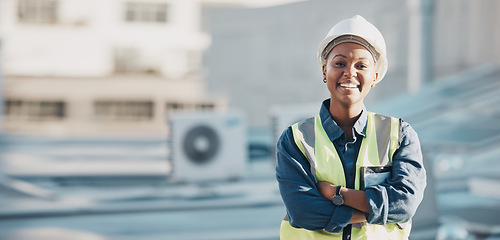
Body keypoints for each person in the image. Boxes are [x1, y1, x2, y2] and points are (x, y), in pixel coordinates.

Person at [275, 15, 427, 240]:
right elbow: (303, 212)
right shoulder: (296, 139)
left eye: (361, 65)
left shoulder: (400, 135)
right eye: (339, 63)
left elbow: (404, 205)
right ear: (324, 71)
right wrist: (374, 210)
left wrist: (337, 194)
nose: (350, 72)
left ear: (375, 76)